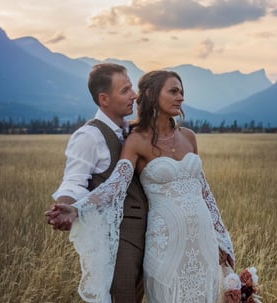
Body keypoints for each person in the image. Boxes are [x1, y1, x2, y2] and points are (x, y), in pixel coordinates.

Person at [46, 70, 235, 303]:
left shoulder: (189, 137)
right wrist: (76, 208)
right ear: (153, 95)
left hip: (202, 239)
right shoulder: (135, 140)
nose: (181, 97)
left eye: (182, 92)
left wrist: (221, 238)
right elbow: (114, 185)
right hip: (164, 242)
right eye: (173, 91)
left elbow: (204, 192)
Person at [48, 63, 148, 303]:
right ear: (104, 99)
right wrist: (65, 207)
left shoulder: (132, 131)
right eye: (125, 90)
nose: (134, 95)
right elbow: (74, 181)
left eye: (131, 87)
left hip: (147, 238)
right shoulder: (89, 136)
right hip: (118, 244)